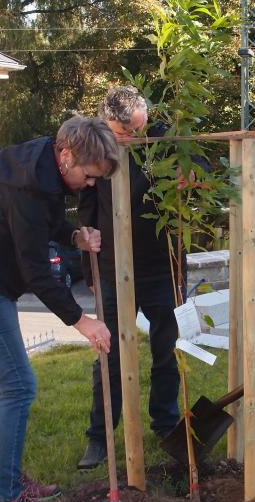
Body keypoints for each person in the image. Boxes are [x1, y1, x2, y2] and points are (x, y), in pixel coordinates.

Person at [0, 116, 118, 502]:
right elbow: (36, 271)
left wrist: (74, 235)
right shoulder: (29, 188)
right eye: (89, 176)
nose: (90, 185)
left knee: (6, 387)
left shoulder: (43, 165)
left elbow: (45, 224)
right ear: (68, 155)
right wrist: (81, 320)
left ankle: (10, 482)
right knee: (18, 385)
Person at [76, 86, 185, 471]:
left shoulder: (168, 133)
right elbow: (84, 207)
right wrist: (87, 268)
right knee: (110, 355)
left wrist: (191, 178)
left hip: (162, 264)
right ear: (108, 124)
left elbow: (198, 165)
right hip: (110, 268)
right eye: (123, 132)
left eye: (137, 130)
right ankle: (100, 436)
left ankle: (166, 423)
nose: (131, 139)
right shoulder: (95, 143)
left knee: (167, 349)